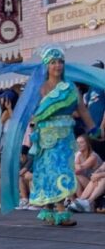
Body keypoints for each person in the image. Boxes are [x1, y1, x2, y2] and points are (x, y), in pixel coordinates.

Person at [29, 47, 96, 226]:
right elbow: (29, 112)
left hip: (65, 135)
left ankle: (57, 209)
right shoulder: (39, 87)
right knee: (47, 171)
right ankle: (54, 209)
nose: (57, 66)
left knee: (62, 170)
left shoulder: (70, 87)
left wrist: (93, 128)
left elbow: (82, 109)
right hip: (45, 138)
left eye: (60, 62)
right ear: (46, 66)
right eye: (53, 62)